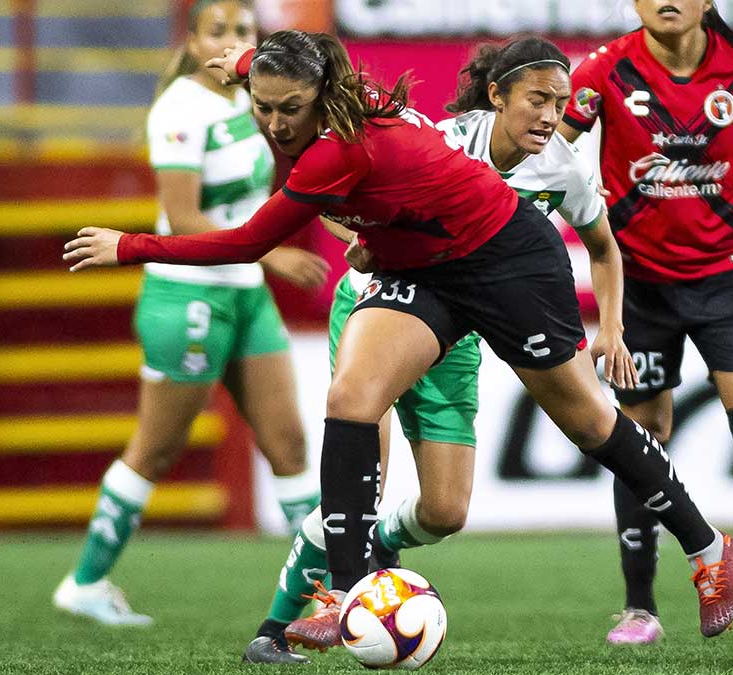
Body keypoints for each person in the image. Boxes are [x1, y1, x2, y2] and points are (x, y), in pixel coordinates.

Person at [64, 28, 733, 650]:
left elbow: (248, 241)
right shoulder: (316, 91)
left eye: (288, 109)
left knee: (591, 422)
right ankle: (355, 588)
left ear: (320, 99)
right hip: (424, 268)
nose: (274, 123)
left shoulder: (336, 149)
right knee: (352, 395)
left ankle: (709, 550)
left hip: (508, 258)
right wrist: (243, 63)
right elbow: (281, 71)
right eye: (263, 105)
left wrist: (129, 244)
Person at [238, 36, 639, 663]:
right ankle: (277, 626)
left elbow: (603, 247)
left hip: (458, 331)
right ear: (498, 96)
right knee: (355, 480)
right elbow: (345, 200)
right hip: (381, 305)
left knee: (447, 511)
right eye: (538, 99)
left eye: (559, 103)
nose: (549, 115)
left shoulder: (564, 168)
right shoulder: (446, 139)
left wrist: (609, 328)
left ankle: (380, 551)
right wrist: (371, 238)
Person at [52, 0, 328, 627]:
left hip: (244, 291)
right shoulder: (179, 107)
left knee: (288, 444)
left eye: (243, 31)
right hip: (188, 295)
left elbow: (265, 197)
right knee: (155, 449)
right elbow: (183, 221)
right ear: (194, 39)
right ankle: (85, 581)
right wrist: (275, 254)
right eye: (219, 31)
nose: (232, 41)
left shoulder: (248, 99)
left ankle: (322, 594)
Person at [559, 0, 733, 644]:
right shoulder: (603, 71)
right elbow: (551, 149)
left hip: (728, 279)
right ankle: (641, 606)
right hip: (638, 283)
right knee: (642, 435)